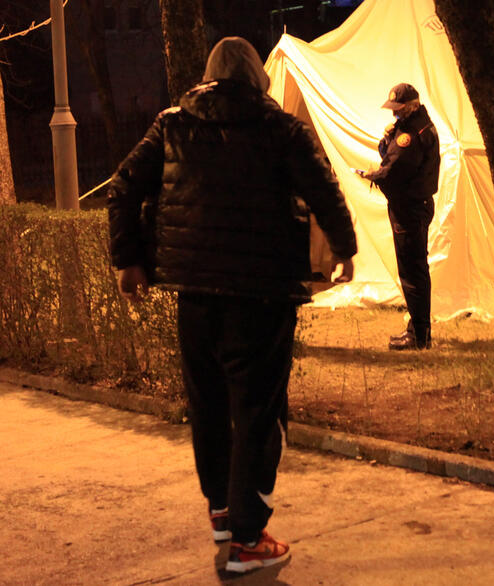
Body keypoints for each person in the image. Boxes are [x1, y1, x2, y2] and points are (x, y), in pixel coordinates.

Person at [107, 37, 357, 575]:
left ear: (209, 75)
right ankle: (248, 538)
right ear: (256, 78)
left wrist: (129, 261)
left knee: (209, 405)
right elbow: (324, 189)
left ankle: (222, 510)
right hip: (262, 295)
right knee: (258, 413)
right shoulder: (281, 129)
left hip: (194, 293)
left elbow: (122, 187)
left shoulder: (172, 124)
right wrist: (345, 249)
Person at [359, 83, 440, 350]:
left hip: (409, 208)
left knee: (412, 272)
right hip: (416, 205)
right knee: (415, 270)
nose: (395, 115)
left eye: (399, 110)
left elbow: (394, 168)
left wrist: (372, 175)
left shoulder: (411, 135)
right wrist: (387, 140)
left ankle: (419, 336)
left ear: (411, 107)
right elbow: (390, 156)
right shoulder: (415, 128)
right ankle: (417, 329)